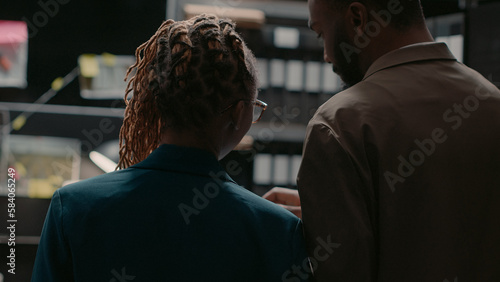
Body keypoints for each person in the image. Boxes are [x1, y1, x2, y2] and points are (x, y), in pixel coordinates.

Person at [32, 14, 310, 282]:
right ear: (239, 113)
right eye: (255, 108)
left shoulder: (72, 208)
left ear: (154, 102)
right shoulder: (278, 231)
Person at [264, 0, 500, 281]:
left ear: (357, 19)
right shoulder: (492, 104)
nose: (326, 55)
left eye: (321, 33)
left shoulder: (339, 124)